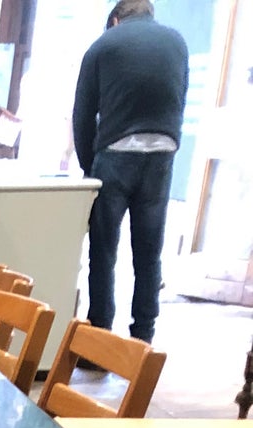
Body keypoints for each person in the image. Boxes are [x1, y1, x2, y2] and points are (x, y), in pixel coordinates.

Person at [72, 0, 189, 343]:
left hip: (114, 155)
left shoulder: (103, 45)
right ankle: (142, 338)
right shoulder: (177, 43)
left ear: (115, 19)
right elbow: (179, 98)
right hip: (162, 154)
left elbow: (82, 115)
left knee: (104, 250)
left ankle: (100, 337)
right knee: (149, 253)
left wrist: (88, 168)